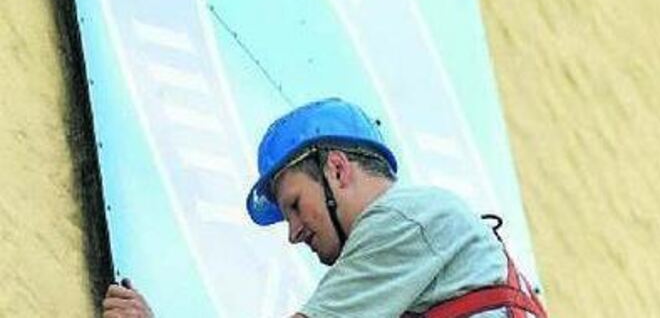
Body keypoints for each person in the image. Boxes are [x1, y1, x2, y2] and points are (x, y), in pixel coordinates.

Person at [103, 98, 546, 317]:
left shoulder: (401, 219)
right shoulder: (423, 247)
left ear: (337, 169)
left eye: (296, 205)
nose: (294, 232)